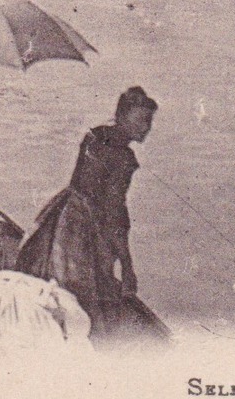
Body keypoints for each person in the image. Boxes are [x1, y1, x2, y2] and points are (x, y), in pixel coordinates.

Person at [16, 86, 161, 338]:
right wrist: (127, 265)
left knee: (64, 280)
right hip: (84, 226)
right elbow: (114, 210)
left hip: (67, 213)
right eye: (141, 120)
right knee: (86, 290)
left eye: (149, 120)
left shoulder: (95, 136)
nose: (146, 127)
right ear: (122, 116)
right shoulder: (123, 157)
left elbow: (100, 197)